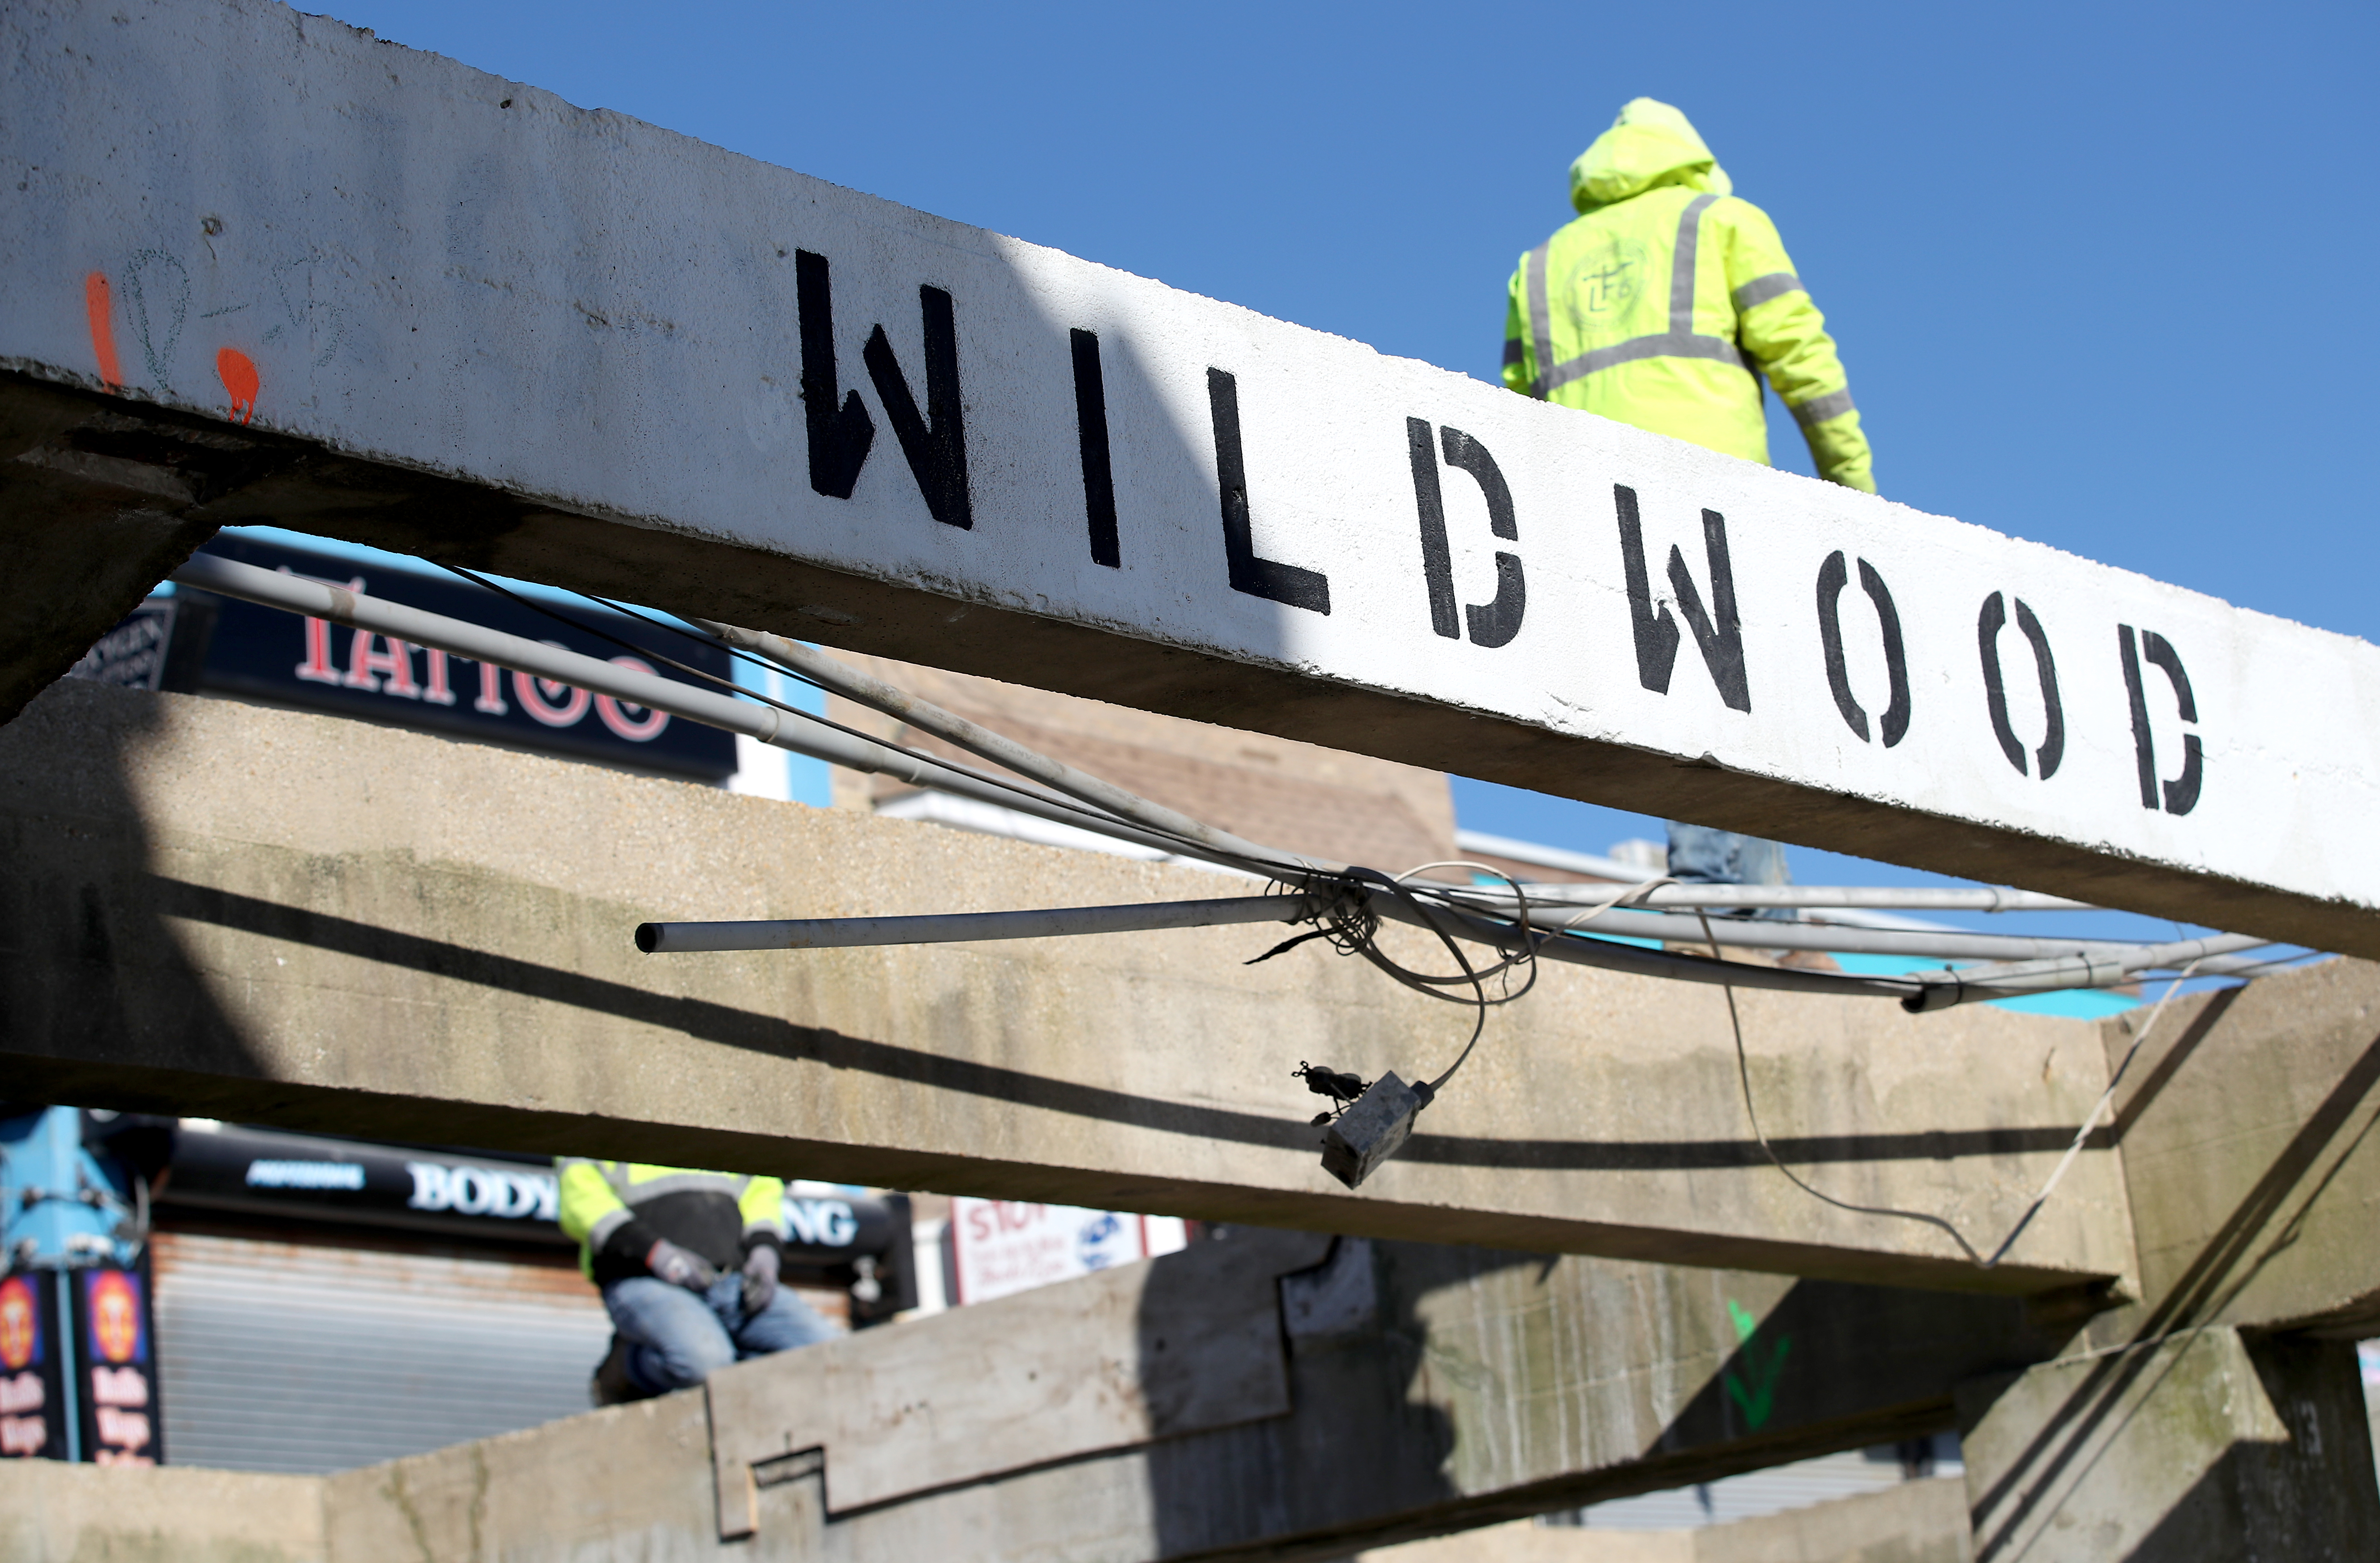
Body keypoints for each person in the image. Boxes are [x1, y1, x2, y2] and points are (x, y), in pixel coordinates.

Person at [1505, 97, 1873, 922]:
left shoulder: (1539, 265)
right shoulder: (1723, 221)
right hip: (1716, 487)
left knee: (1681, 687)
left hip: (1590, 496)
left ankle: (1745, 897)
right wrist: (1852, 489)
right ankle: (1723, 892)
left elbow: (1511, 407)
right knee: (1741, 686)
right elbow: (1803, 359)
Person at [557, 1157, 834, 1403]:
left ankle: (727, 1358)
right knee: (705, 1365)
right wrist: (655, 1253)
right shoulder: (604, 1109)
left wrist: (764, 1249)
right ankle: (626, 1366)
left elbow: (761, 1187)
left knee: (835, 1354)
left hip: (731, 1280)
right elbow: (581, 1198)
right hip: (643, 1277)